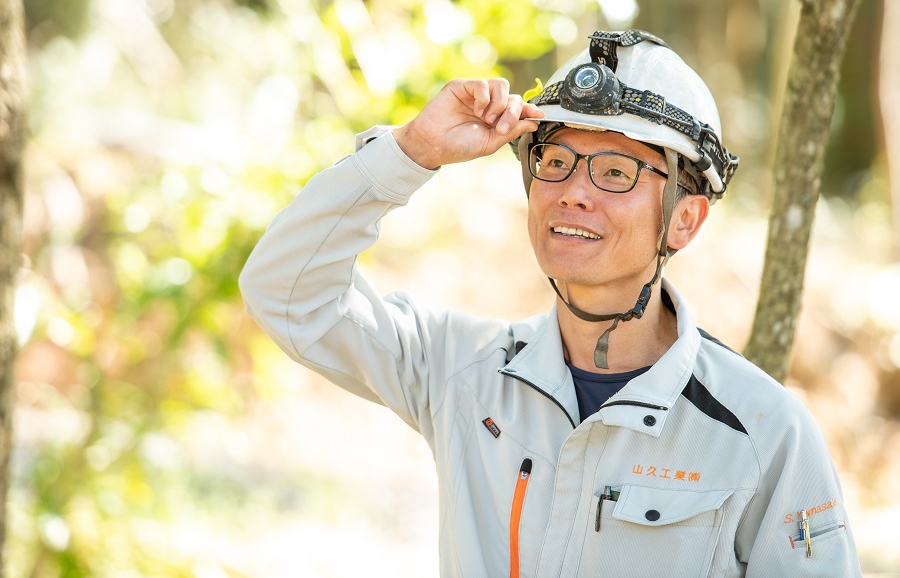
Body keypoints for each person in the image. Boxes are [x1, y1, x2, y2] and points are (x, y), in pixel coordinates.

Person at [239, 29, 861, 577]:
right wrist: (411, 151)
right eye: (557, 162)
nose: (573, 194)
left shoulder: (760, 431)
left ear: (685, 221)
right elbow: (286, 290)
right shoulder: (464, 373)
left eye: (616, 172)